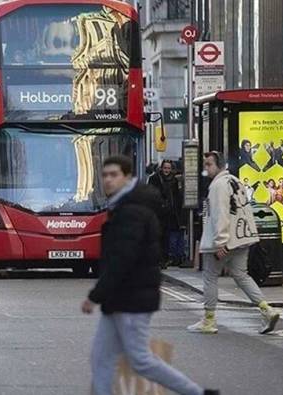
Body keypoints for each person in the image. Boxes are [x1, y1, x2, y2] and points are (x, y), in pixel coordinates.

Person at [82, 156, 216, 395]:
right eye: (105, 175)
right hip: (119, 298)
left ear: (128, 177)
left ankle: (197, 393)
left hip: (132, 299)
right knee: (100, 359)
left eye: (114, 175)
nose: (108, 180)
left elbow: (122, 258)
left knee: (140, 360)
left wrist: (95, 295)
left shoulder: (132, 211)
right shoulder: (122, 206)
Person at [189, 151, 281, 335]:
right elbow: (245, 210)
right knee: (242, 276)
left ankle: (209, 320)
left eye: (209, 165)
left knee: (210, 277)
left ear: (219, 165)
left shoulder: (217, 186)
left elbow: (220, 214)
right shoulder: (235, 181)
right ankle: (267, 309)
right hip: (241, 238)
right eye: (205, 164)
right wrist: (250, 236)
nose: (205, 168)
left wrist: (221, 242)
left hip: (223, 240)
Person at [148, 160, 184, 266]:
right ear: (161, 168)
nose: (167, 170)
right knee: (158, 236)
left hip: (171, 213)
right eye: (165, 168)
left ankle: (166, 258)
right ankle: (158, 259)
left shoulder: (174, 180)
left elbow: (177, 196)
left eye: (168, 168)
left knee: (167, 237)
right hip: (158, 212)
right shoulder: (154, 179)